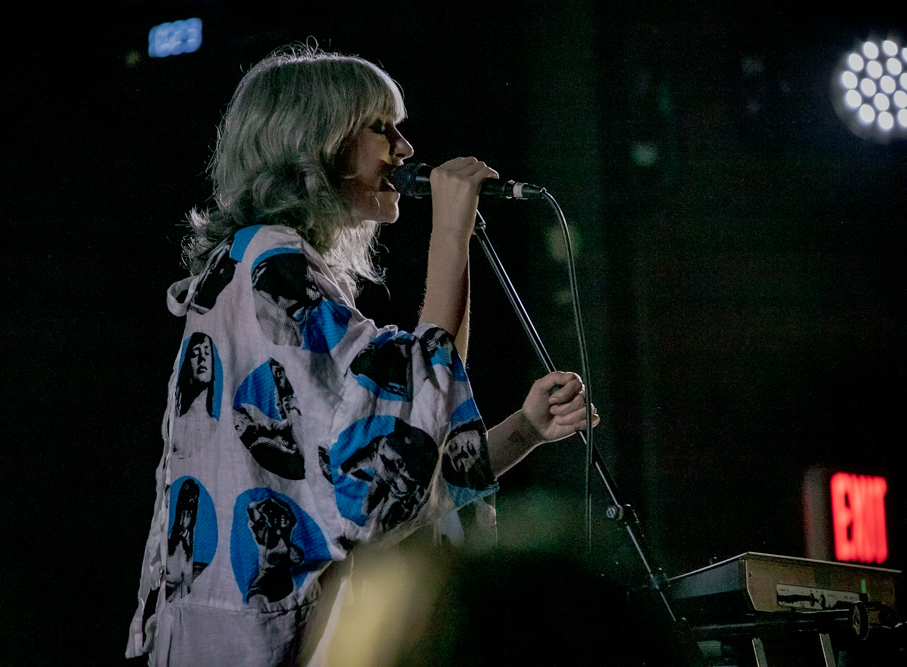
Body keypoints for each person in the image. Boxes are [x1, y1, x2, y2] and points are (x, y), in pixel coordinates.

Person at [126, 44, 599, 666]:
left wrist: (523, 432)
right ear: (313, 142)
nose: (404, 149)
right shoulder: (270, 266)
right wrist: (450, 235)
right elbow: (390, 451)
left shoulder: (269, 268)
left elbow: (397, 453)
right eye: (381, 128)